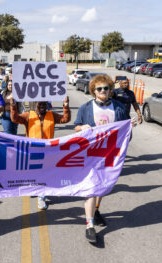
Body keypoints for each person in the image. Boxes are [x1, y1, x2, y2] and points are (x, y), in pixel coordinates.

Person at [74, 74, 137, 244]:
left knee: (103, 184)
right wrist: (82, 127)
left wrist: (130, 126)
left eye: (106, 88)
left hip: (110, 153)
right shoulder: (86, 107)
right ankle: (89, 225)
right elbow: (76, 126)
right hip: (91, 153)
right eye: (99, 89)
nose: (103, 91)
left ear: (110, 90)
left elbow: (125, 131)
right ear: (93, 91)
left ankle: (96, 209)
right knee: (92, 187)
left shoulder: (118, 107)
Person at [10, 96, 70, 209]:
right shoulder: (29, 115)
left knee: (44, 175)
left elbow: (65, 119)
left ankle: (41, 198)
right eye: (40, 105)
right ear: (35, 105)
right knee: (32, 173)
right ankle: (34, 188)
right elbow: (15, 119)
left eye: (44, 104)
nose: (42, 107)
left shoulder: (52, 115)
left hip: (47, 151)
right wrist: (13, 106)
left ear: (47, 105)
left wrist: (66, 105)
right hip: (31, 151)